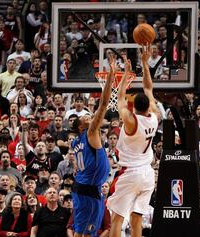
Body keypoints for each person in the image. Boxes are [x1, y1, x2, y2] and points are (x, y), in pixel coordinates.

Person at [107, 45, 158, 237]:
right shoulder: (154, 116)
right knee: (136, 219)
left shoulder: (131, 121)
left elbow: (119, 98)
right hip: (147, 174)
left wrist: (126, 75)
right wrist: (145, 63)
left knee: (117, 219)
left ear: (133, 106)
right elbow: (148, 87)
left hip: (131, 173)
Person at [69, 55, 113, 237]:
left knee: (80, 232)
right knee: (87, 233)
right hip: (89, 189)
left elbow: (76, 163)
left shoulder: (75, 141)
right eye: (86, 117)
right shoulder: (90, 133)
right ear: (81, 126)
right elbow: (103, 105)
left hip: (82, 187)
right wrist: (111, 76)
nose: (90, 117)